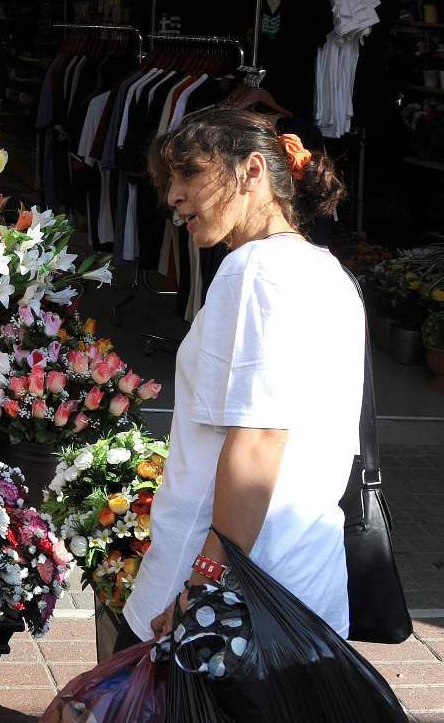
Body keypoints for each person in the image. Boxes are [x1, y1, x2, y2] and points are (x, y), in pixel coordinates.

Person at [117, 105, 359, 650]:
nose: (173, 196)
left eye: (191, 174)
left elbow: (259, 437)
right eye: (169, 180)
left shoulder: (254, 269)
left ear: (252, 172)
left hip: (216, 596)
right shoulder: (329, 272)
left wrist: (201, 581)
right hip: (303, 583)